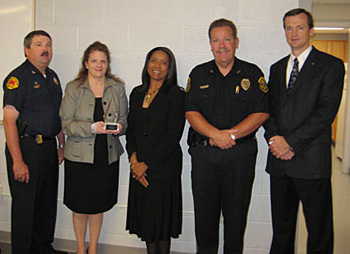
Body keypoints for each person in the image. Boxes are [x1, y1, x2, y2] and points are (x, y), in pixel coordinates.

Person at [264, 8, 345, 254]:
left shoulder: (330, 66)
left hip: (311, 162)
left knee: (318, 231)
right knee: (282, 230)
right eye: (288, 28)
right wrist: (275, 140)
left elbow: (325, 113)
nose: (293, 33)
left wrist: (290, 143)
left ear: (311, 30)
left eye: (299, 27)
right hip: (279, 163)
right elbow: (268, 110)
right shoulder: (277, 68)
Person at [185, 19, 269, 254]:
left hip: (240, 157)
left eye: (227, 39)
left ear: (236, 42)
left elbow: (261, 112)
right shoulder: (199, 73)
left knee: (236, 218)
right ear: (210, 44)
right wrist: (214, 134)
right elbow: (190, 112)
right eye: (216, 40)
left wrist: (228, 136)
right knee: (204, 218)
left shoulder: (252, 73)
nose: (221, 45)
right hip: (205, 156)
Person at [59, 41, 128, 254]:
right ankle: (81, 248)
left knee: (98, 205)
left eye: (103, 61)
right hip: (79, 158)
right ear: (86, 63)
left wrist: (119, 128)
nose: (99, 65)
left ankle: (94, 248)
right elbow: (65, 124)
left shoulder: (117, 87)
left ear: (108, 64)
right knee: (80, 206)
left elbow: (125, 121)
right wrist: (92, 128)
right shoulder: (73, 88)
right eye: (94, 61)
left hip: (106, 157)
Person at [3, 30, 67, 254]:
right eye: (39, 44)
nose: (45, 49)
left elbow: (56, 114)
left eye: (48, 44)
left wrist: (61, 144)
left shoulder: (52, 76)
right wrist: (17, 161)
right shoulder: (17, 78)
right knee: (25, 206)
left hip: (49, 147)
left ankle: (42, 247)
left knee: (46, 203)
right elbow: (9, 121)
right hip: (26, 148)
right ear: (26, 50)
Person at [125, 47, 185, 254]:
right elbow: (130, 129)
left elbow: (173, 134)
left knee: (161, 226)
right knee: (147, 224)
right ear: (147, 63)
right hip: (138, 165)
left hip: (163, 168)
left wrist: (146, 165)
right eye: (153, 61)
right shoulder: (136, 93)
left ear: (170, 69)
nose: (157, 66)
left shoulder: (176, 95)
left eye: (163, 62)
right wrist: (134, 161)